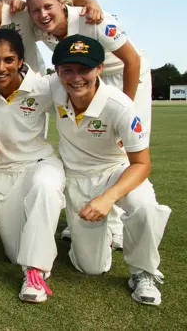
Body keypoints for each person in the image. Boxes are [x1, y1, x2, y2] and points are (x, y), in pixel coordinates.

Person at [26, 0, 151, 248]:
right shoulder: (42, 26)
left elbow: (132, 60)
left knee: (118, 149)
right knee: (83, 149)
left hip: (123, 74)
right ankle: (82, 219)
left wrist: (123, 105)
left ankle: (116, 225)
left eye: (48, 7)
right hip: (80, 74)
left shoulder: (94, 20)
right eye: (35, 11)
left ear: (62, 4)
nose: (43, 15)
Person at [49, 35, 170, 306]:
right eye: (68, 69)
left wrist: (108, 198)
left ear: (100, 68)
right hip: (78, 178)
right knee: (90, 267)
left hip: (116, 171)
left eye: (84, 69)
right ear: (57, 71)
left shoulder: (120, 106)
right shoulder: (53, 88)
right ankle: (95, 233)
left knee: (145, 206)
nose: (76, 77)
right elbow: (15, 81)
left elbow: (142, 164)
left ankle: (143, 272)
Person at [0, 29, 65, 303]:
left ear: (21, 61)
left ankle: (35, 273)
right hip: (3, 172)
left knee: (46, 186)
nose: (1, 67)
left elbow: (83, 82)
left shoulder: (43, 86)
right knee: (13, 254)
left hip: (38, 164)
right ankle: (33, 251)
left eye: (9, 60)